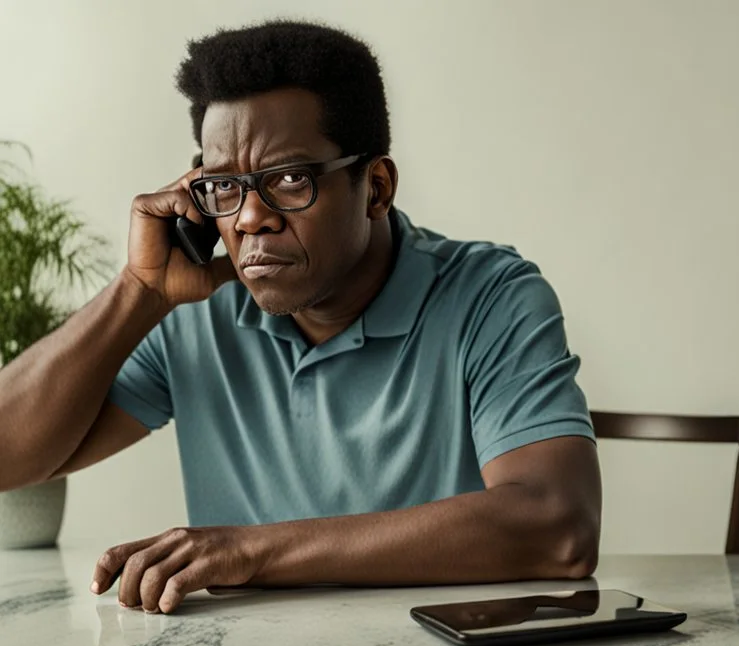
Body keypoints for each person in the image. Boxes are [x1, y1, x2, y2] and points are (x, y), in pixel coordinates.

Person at [0, 19, 601, 614]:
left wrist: (251, 552)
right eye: (224, 186)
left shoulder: (489, 296)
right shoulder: (193, 310)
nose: (248, 219)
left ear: (376, 188)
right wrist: (138, 291)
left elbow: (558, 525)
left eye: (289, 179)